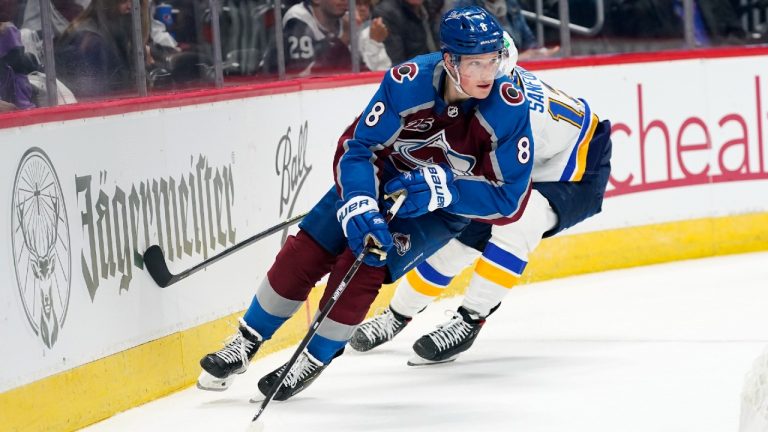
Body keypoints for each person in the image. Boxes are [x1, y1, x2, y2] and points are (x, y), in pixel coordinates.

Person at [196, 6, 535, 402]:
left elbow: (510, 196)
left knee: (367, 260)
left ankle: (314, 355)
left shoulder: (508, 108)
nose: (487, 73)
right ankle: (246, 339)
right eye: (475, 63)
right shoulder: (408, 83)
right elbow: (359, 148)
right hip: (382, 177)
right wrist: (358, 200)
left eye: (493, 60)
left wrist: (449, 189)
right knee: (310, 245)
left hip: (442, 208)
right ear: (449, 60)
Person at [350, 32, 613, 365]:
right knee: (456, 243)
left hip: (578, 168)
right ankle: (397, 315)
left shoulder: (510, 111)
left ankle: (471, 318)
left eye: (488, 68)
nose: (480, 77)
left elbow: (499, 189)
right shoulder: (479, 91)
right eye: (473, 65)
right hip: (534, 163)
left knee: (518, 223)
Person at [54, 0, 150, 99]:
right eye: (123, 0)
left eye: (137, 2)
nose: (131, 7)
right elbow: (92, 101)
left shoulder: (123, 37)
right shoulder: (90, 42)